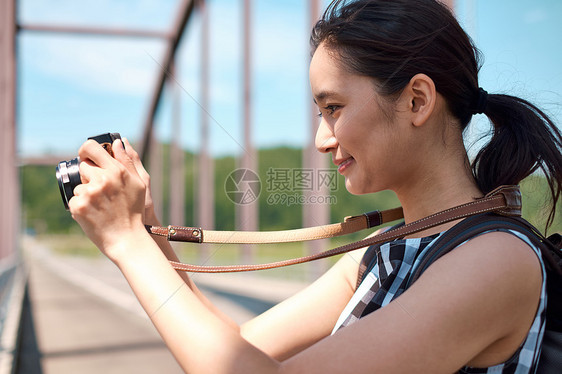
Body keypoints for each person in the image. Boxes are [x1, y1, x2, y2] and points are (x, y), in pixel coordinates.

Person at [69, 0, 562, 372]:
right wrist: (147, 230)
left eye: (334, 109)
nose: (322, 140)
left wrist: (126, 243)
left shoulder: (496, 259)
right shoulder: (385, 250)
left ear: (416, 100)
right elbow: (236, 349)